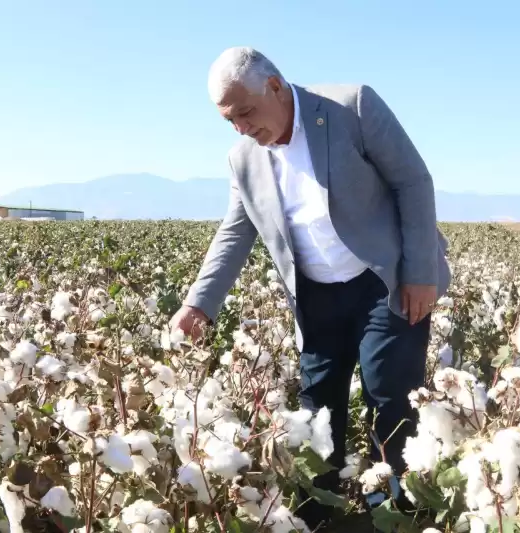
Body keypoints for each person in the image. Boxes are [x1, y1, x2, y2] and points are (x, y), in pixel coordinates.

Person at [169, 46, 451, 530]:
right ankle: (318, 517)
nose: (240, 127)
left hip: (383, 281)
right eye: (228, 120)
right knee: (317, 408)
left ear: (275, 88)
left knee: (390, 390)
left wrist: (421, 272)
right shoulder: (243, 159)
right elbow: (237, 231)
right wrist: (199, 301)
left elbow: (413, 181)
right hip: (317, 297)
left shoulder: (351, 107)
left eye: (245, 113)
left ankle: (396, 513)